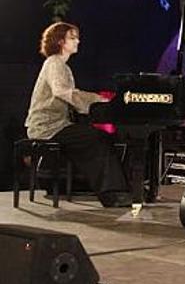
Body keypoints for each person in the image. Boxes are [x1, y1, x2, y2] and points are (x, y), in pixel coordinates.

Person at [24, 22, 132, 207]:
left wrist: (94, 101)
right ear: (60, 41)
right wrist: (96, 99)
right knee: (97, 138)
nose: (78, 41)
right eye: (72, 38)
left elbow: (69, 95)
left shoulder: (62, 66)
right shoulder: (54, 63)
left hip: (58, 125)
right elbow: (62, 92)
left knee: (100, 137)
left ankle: (118, 189)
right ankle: (112, 194)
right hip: (47, 127)